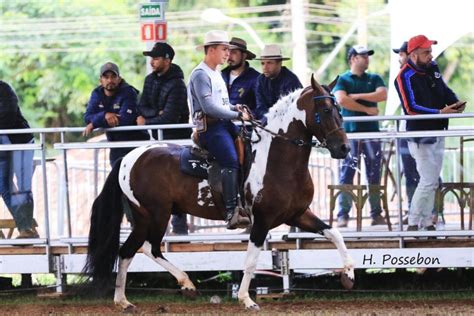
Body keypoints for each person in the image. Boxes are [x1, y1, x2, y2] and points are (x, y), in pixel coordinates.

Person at [394, 35, 465, 231]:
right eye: (426, 52)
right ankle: (413, 221)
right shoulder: (403, 76)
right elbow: (411, 108)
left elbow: (443, 89)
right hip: (419, 134)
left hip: (438, 130)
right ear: (414, 54)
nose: (430, 55)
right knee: (428, 179)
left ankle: (425, 221)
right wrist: (440, 112)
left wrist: (455, 103)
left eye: (430, 51)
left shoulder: (432, 68)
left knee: (432, 180)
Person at [188, 30, 251, 229]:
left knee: (250, 147)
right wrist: (236, 115)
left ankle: (245, 199)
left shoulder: (215, 73)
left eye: (229, 50)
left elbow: (221, 104)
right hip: (210, 128)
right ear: (212, 50)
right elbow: (209, 108)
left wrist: (234, 108)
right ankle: (231, 211)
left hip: (223, 123)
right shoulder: (200, 74)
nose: (228, 54)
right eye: (224, 49)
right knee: (230, 161)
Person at [139, 42, 191, 235]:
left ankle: (179, 228)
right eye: (152, 58)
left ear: (167, 60)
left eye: (157, 58)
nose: (152, 62)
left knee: (178, 184)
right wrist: (154, 115)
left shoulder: (177, 84)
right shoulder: (149, 80)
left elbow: (170, 116)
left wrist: (147, 121)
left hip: (176, 141)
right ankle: (159, 227)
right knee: (157, 185)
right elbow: (141, 106)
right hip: (157, 139)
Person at [333, 45, 388, 228]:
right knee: (347, 173)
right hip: (351, 134)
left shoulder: (374, 78)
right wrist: (367, 109)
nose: (367, 59)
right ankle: (343, 214)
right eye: (363, 56)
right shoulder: (342, 79)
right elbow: (341, 99)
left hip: (371, 133)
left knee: (374, 173)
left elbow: (383, 94)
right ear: (353, 58)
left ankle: (376, 213)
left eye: (367, 56)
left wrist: (356, 96)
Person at [83, 62, 149, 167]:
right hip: (115, 146)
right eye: (106, 77)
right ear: (100, 80)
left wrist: (94, 123)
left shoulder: (129, 92)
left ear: (119, 79)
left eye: (113, 76)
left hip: (136, 145)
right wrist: (105, 115)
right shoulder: (97, 93)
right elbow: (87, 117)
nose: (110, 80)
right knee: (116, 179)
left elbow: (124, 121)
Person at [0, 80, 37, 238]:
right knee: (3, 185)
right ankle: (25, 227)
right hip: (3, 144)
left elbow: (8, 114)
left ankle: (26, 227)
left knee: (23, 187)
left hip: (20, 141)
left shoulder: (4, 89)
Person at [254, 44, 302, 124]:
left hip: (289, 123)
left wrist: (270, 118)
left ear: (279, 63)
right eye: (262, 63)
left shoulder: (290, 80)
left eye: (269, 63)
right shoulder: (260, 80)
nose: (265, 67)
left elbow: (291, 108)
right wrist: (266, 117)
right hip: (268, 122)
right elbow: (260, 106)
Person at [221, 37, 260, 116]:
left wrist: (250, 115)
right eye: (228, 52)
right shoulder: (221, 76)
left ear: (244, 55)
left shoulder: (256, 78)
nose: (229, 56)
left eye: (234, 52)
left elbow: (262, 108)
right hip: (222, 124)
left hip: (244, 126)